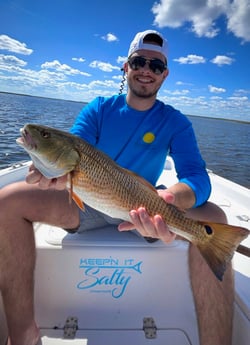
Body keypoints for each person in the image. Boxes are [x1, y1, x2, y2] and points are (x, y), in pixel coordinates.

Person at [0, 30, 234, 345]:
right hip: (86, 199)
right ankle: (24, 335)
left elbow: (197, 177)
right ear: (126, 67)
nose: (146, 70)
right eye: (139, 61)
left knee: (215, 218)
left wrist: (167, 199)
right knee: (7, 201)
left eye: (156, 65)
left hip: (145, 209)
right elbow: (74, 143)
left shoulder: (176, 122)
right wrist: (45, 170)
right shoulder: (99, 108)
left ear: (165, 75)